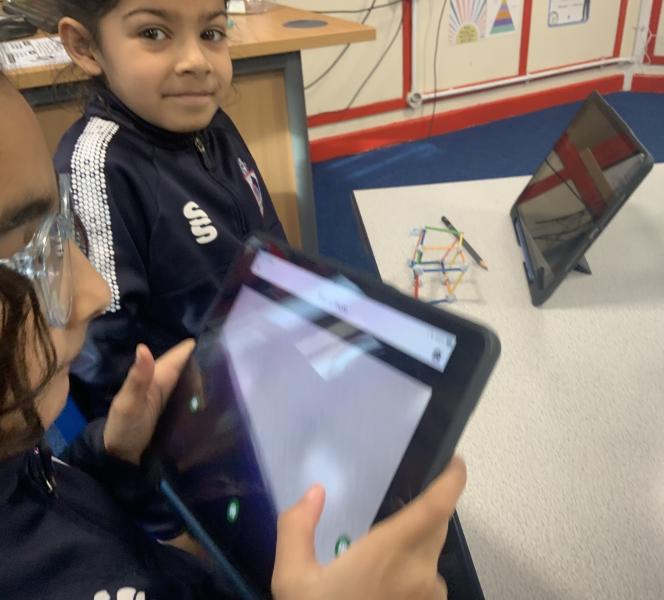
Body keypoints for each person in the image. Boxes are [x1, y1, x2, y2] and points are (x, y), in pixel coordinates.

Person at [0, 70, 466, 599]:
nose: (94, 292)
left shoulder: (17, 455)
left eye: (55, 235)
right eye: (27, 261)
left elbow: (59, 495)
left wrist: (112, 453)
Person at [54, 0, 286, 419]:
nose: (196, 61)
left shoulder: (216, 126)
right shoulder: (95, 165)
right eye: (153, 34)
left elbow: (270, 243)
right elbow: (104, 361)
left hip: (264, 364)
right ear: (85, 46)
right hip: (193, 414)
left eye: (211, 34)